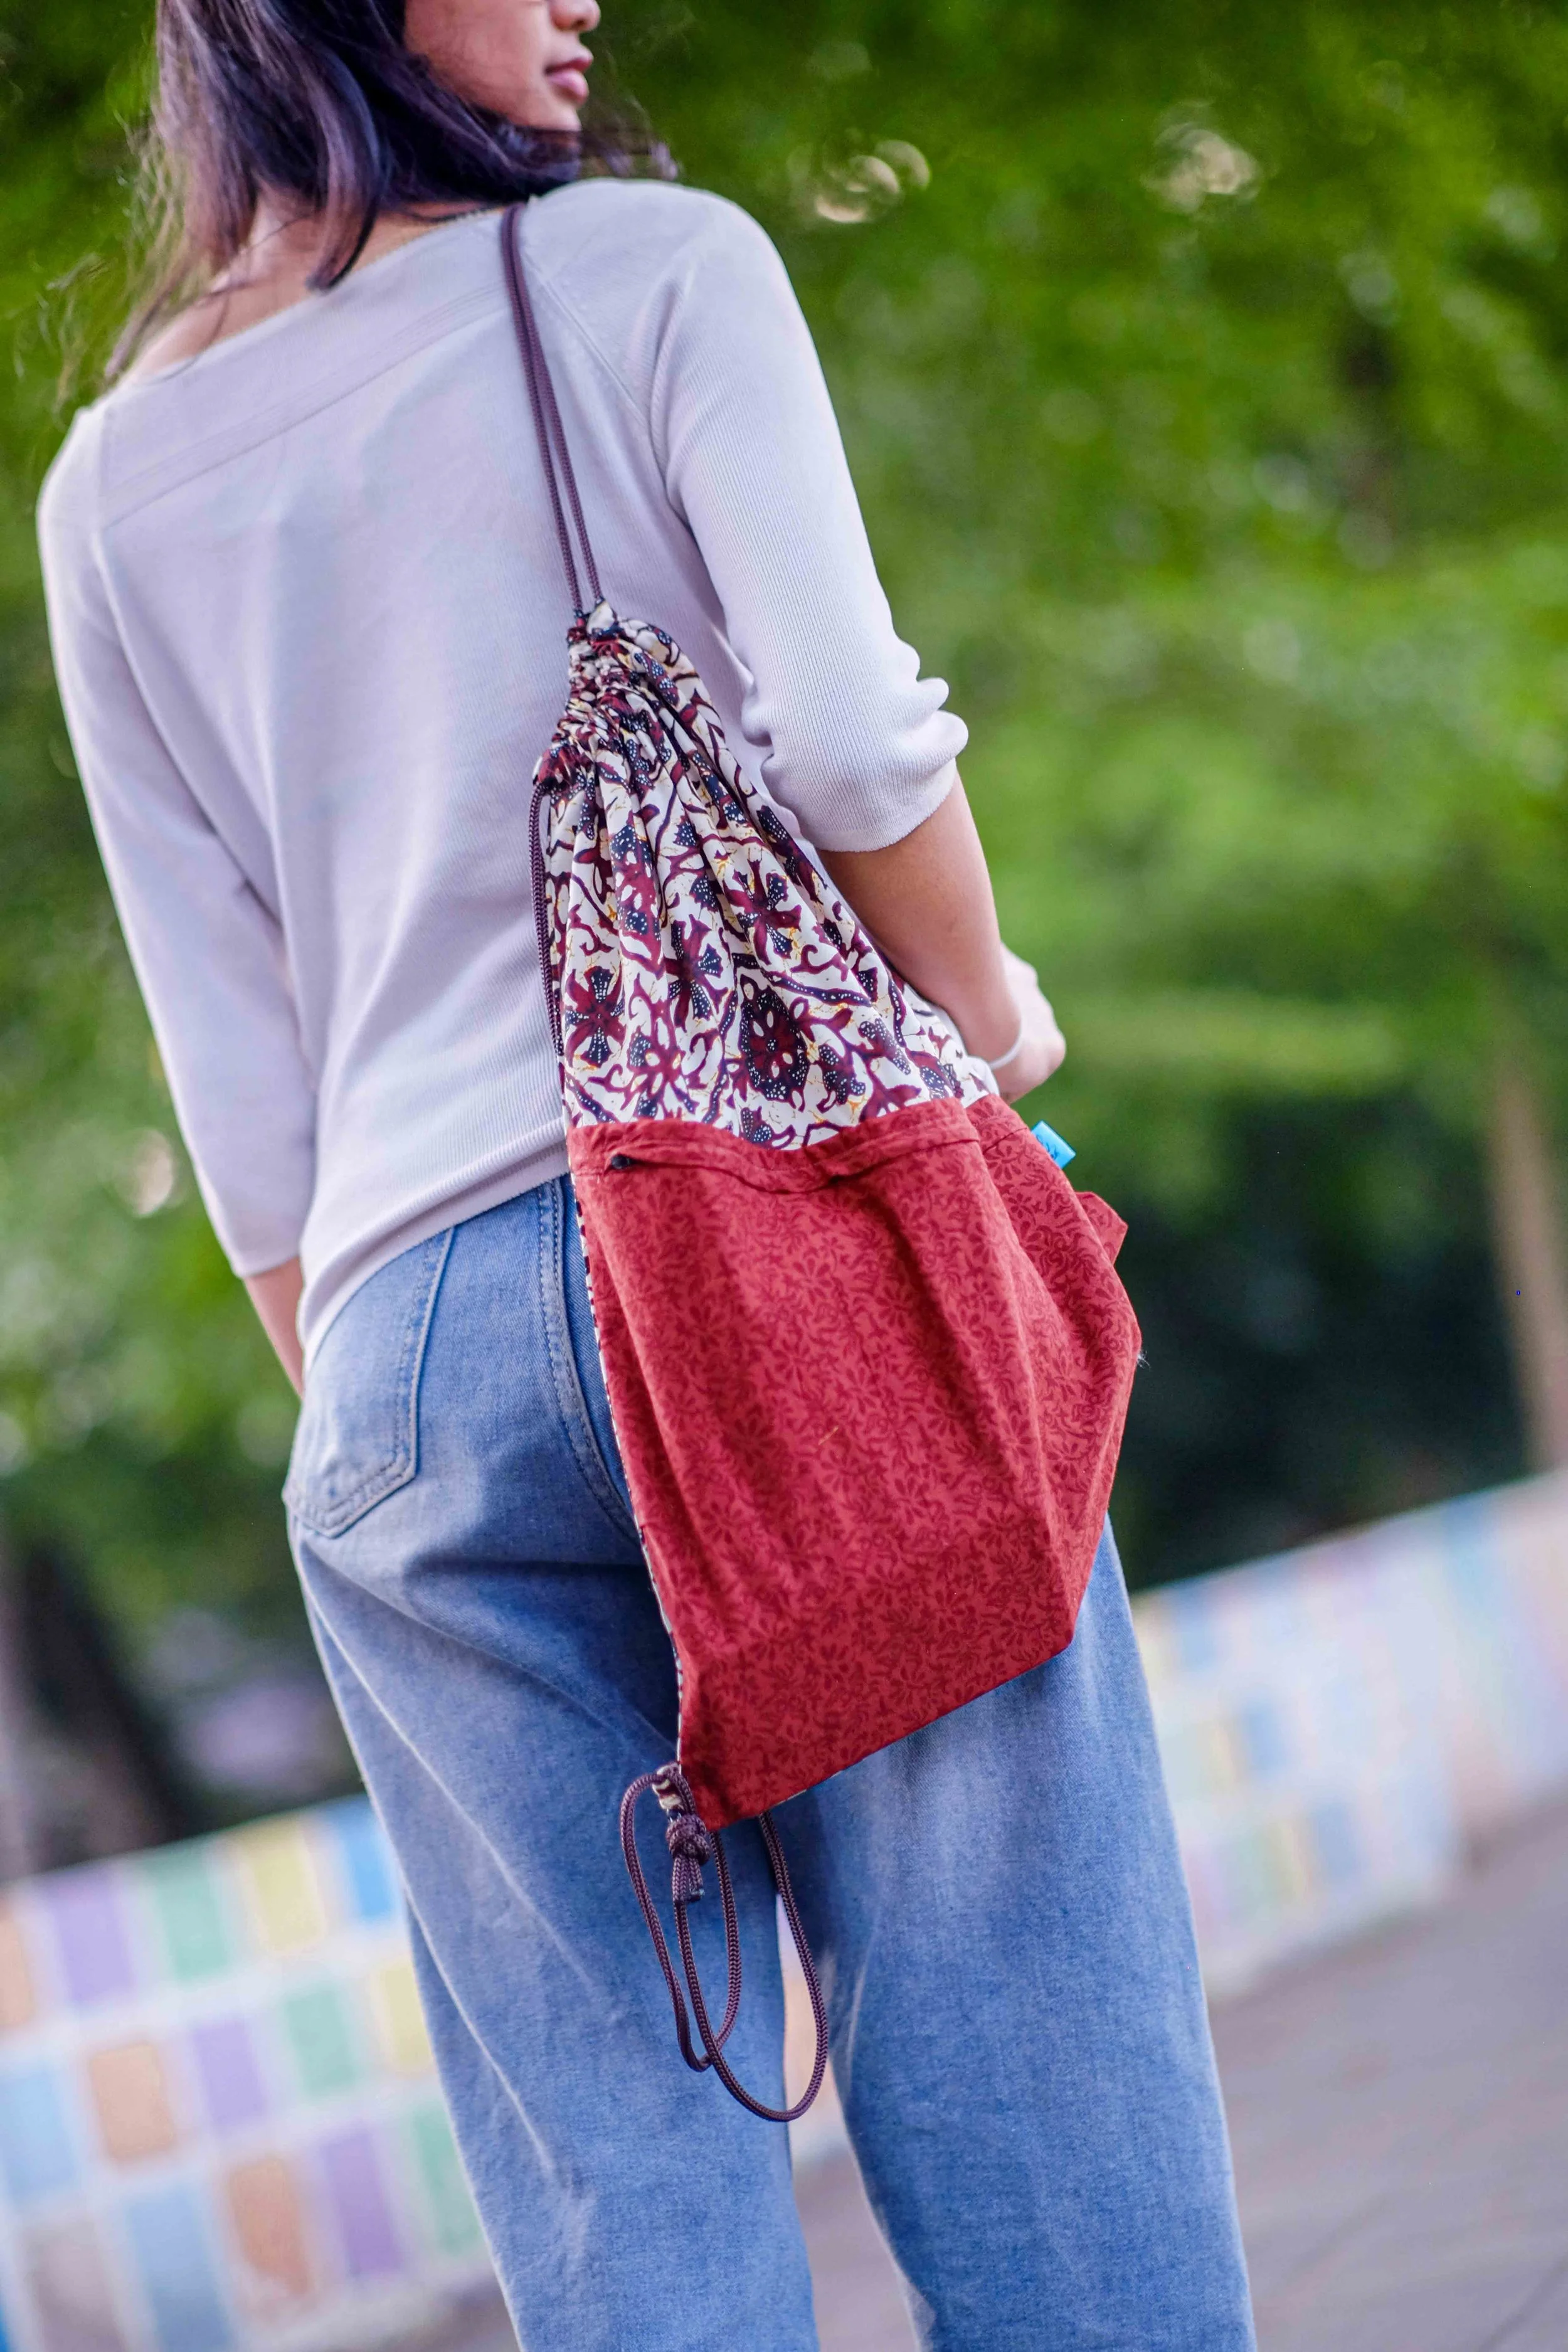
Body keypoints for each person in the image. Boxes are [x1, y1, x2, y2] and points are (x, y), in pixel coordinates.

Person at [38, 3, 1256, 2344]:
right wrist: (992, 1033)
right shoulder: (643, 275)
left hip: (393, 1362)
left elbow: (241, 1084)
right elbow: (851, 740)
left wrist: (418, 1407)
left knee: (610, 2167)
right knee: (1025, 2040)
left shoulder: (108, 487)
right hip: (778, 1253)